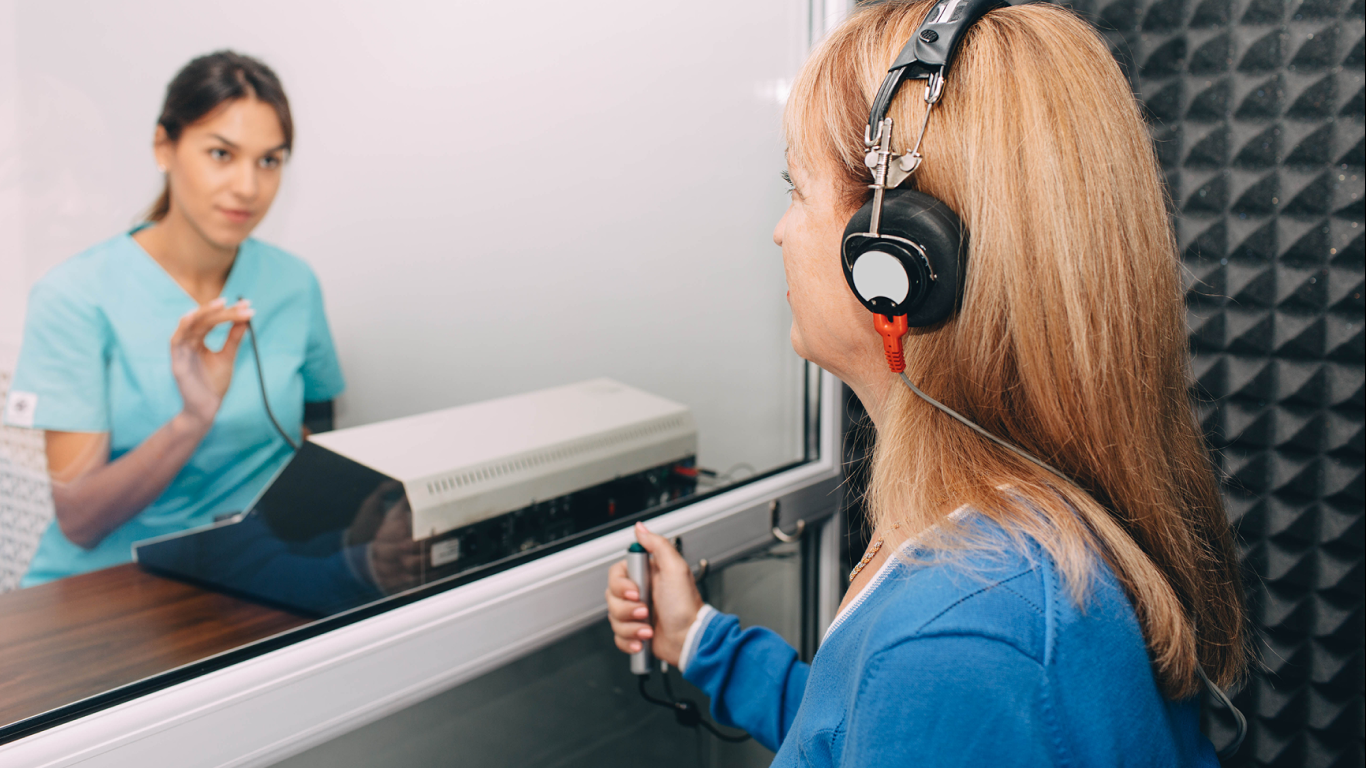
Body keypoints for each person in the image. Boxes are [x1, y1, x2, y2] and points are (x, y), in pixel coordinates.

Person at [606, 1, 1247, 764]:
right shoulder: (995, 540)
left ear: (896, 251)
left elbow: (923, 692)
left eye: (794, 186)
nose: (779, 230)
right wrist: (699, 641)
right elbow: (869, 726)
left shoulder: (965, 637)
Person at [3, 51, 345, 586]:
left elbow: (322, 421)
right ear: (165, 146)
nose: (248, 188)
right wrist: (192, 420)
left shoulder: (293, 283)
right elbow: (80, 522)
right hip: (103, 592)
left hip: (248, 576)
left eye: (269, 161)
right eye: (221, 154)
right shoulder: (74, 296)